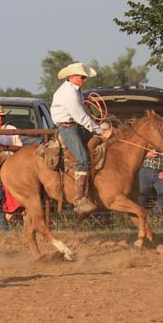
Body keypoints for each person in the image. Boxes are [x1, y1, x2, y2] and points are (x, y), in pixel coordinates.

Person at [51, 62, 104, 214]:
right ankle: (79, 199)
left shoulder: (76, 91)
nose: (84, 80)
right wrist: (98, 129)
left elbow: (83, 111)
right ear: (72, 76)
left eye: (85, 77)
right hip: (68, 129)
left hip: (76, 127)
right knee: (83, 159)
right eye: (82, 77)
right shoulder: (68, 93)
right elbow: (80, 115)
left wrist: (99, 126)